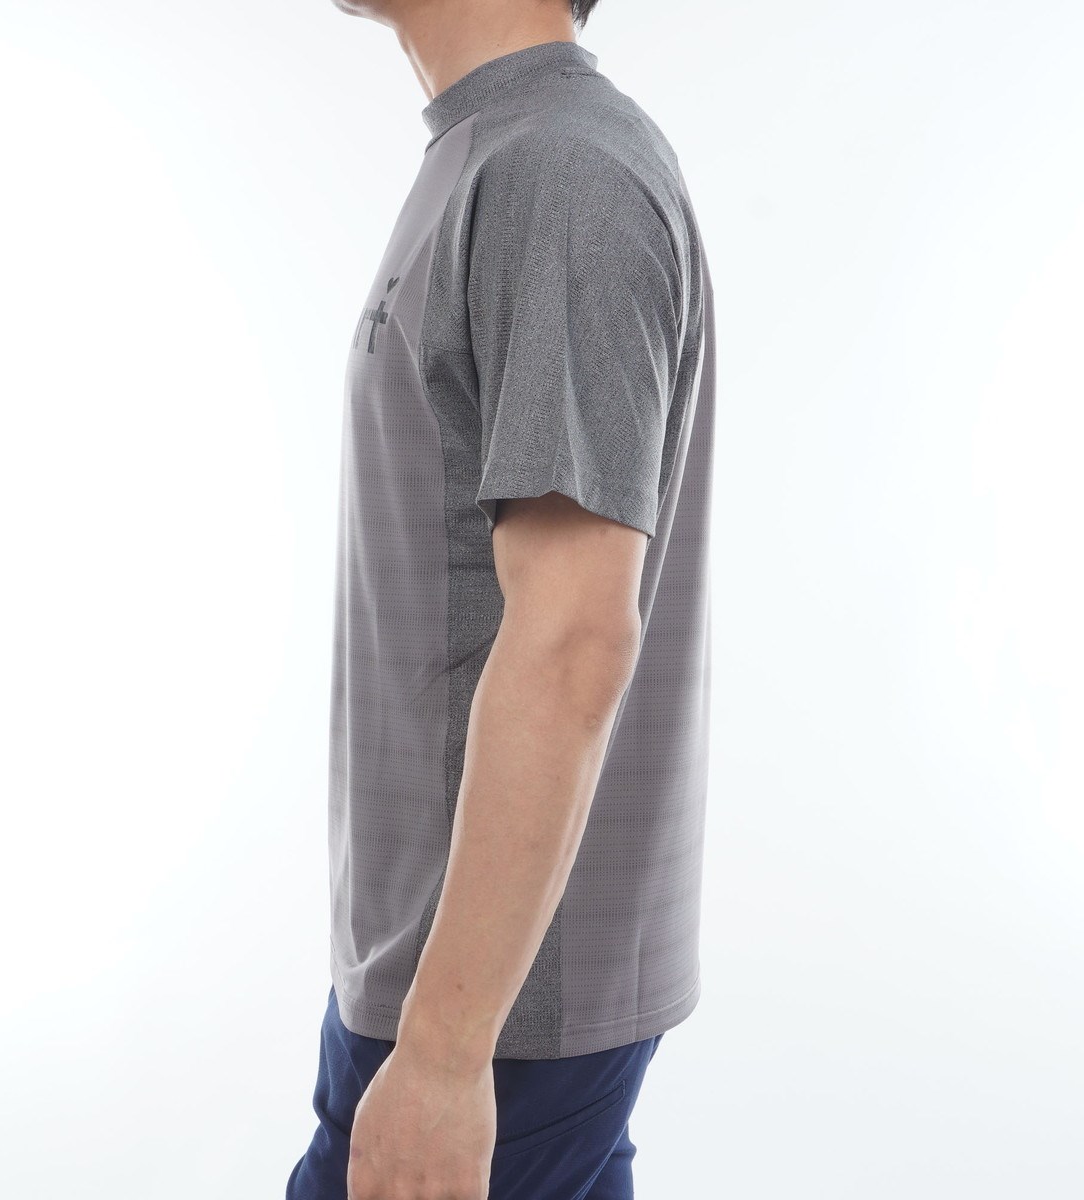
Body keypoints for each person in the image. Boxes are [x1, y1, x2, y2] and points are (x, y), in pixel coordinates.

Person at [288, 1, 716, 1196]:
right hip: (452, 986)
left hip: (495, 1016)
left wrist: (443, 1053)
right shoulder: (496, 151)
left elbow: (575, 636)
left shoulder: (558, 171)